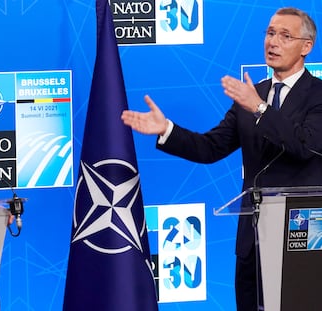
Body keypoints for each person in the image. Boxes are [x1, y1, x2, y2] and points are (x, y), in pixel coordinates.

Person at [121, 7, 322, 311]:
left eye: (285, 36)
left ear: (307, 46)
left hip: (301, 240)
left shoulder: (315, 95)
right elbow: (210, 148)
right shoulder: (252, 95)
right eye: (270, 33)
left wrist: (261, 109)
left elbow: (305, 145)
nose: (273, 42)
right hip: (252, 242)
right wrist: (167, 130)